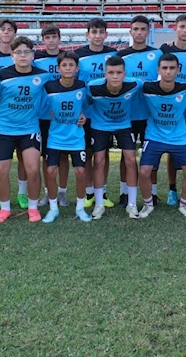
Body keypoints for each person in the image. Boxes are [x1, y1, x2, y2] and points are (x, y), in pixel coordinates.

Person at [0, 36, 52, 224]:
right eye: (18, 52)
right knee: (1, 170)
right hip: (4, 129)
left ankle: (33, 208)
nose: (23, 55)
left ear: (33, 54)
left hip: (29, 128)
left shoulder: (43, 75)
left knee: (32, 169)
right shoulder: (2, 75)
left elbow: (56, 95)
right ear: (12, 55)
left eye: (26, 52)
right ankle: (5, 208)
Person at [138, 53, 186, 219]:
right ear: (158, 70)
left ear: (178, 70)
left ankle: (184, 204)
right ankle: (148, 204)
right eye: (164, 68)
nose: (168, 72)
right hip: (154, 135)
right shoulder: (147, 88)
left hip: (179, 137)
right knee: (144, 171)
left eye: (172, 68)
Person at [86, 56, 143, 219]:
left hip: (124, 124)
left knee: (131, 160)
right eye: (111, 72)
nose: (115, 76)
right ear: (105, 74)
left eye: (119, 72)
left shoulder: (135, 84)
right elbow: (83, 102)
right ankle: (98, 203)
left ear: (125, 74)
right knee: (98, 161)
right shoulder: (92, 87)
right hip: (100, 125)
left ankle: (131, 204)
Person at [42, 50, 91, 223]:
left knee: (80, 171)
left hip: (76, 138)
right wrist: (48, 112)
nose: (68, 68)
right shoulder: (49, 87)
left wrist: (85, 114)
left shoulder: (82, 86)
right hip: (55, 137)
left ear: (77, 68)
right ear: (58, 68)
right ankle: (53, 208)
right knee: (50, 170)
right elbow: (41, 105)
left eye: (71, 65)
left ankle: (80, 208)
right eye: (64, 65)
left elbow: (88, 105)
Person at [0, 19, 30, 210]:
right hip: (3, 117)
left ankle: (22, 194)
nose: (6, 32)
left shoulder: (25, 57)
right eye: (2, 29)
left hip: (24, 117)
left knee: (24, 157)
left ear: (15, 33)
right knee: (2, 162)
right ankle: (2, 199)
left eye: (10, 30)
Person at [160, 14, 186, 207]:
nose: (185, 30)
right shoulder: (165, 49)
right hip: (172, 113)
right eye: (181, 27)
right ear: (175, 28)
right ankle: (171, 189)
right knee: (171, 152)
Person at [116, 15, 159, 209]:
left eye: (143, 29)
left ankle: (154, 194)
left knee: (151, 156)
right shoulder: (120, 56)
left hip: (150, 114)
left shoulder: (157, 54)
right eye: (136, 29)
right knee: (127, 157)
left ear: (148, 32)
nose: (139, 32)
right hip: (128, 115)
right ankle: (124, 193)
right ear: (130, 32)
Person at [76, 18, 118, 209]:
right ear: (87, 35)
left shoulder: (113, 55)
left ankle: (103, 191)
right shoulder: (78, 55)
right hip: (86, 114)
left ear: (106, 35)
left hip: (105, 115)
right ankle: (89, 193)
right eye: (94, 32)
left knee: (104, 154)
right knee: (88, 154)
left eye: (101, 32)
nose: (98, 36)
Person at [33, 24, 71, 209]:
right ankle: (49, 193)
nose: (51, 41)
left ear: (59, 38)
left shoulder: (67, 58)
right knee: (46, 157)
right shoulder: (36, 59)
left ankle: (62, 192)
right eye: (47, 37)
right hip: (43, 115)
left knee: (63, 156)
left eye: (54, 37)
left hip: (64, 116)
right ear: (43, 40)